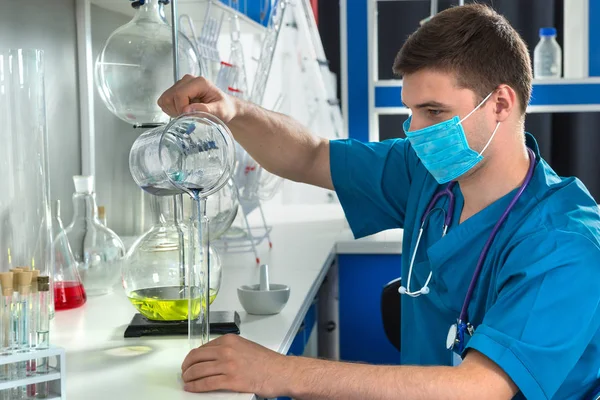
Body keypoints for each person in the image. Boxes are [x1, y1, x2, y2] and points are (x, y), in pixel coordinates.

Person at [158, 4, 600, 399]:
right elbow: (311, 155)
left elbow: (478, 389)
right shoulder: (427, 174)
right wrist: (234, 112)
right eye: (410, 111)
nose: (415, 129)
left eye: (434, 111)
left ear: (500, 103)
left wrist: (278, 371)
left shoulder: (565, 243)